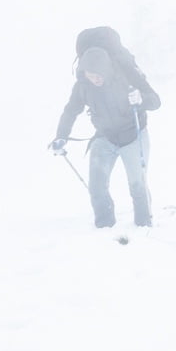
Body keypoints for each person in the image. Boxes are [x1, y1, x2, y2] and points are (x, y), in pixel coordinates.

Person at [49, 45, 162, 228]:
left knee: (137, 184)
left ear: (106, 69)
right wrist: (61, 136)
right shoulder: (83, 86)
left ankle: (143, 225)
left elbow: (156, 102)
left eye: (98, 74)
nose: (95, 79)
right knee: (97, 186)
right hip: (104, 138)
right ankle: (104, 227)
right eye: (90, 75)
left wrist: (141, 99)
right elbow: (71, 111)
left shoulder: (128, 76)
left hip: (134, 135)